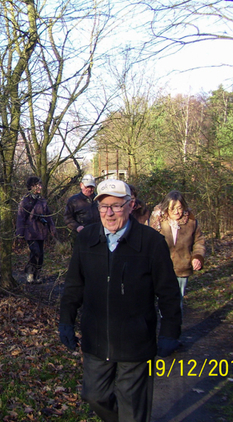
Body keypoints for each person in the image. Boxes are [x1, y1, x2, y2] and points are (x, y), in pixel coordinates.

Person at [59, 179, 182, 422]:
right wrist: (66, 320)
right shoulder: (87, 239)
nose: (109, 213)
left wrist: (170, 331)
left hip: (135, 341)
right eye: (104, 207)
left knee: (132, 410)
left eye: (116, 206)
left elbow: (168, 293)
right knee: (94, 396)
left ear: (131, 205)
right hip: (96, 338)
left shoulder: (151, 242)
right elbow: (74, 284)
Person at [149, 190, 205, 302]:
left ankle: (176, 319)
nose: (177, 212)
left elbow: (199, 241)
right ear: (166, 208)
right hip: (160, 269)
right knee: (160, 300)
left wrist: (197, 257)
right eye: (172, 208)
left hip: (181, 268)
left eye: (179, 208)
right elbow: (148, 243)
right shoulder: (156, 221)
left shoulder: (191, 222)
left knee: (177, 301)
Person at [16, 176, 57, 284]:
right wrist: (19, 234)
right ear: (31, 186)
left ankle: (37, 274)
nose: (40, 187)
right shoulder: (25, 201)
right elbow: (21, 218)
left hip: (41, 231)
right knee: (35, 252)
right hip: (30, 232)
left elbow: (48, 215)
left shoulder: (42, 200)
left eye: (40, 184)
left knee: (41, 254)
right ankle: (29, 273)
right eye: (38, 185)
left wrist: (52, 228)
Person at [64, 174, 99, 239]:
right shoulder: (73, 200)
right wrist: (77, 227)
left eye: (91, 187)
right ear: (81, 185)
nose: (89, 189)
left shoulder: (99, 199)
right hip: (81, 236)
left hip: (98, 234)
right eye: (87, 187)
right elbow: (67, 218)